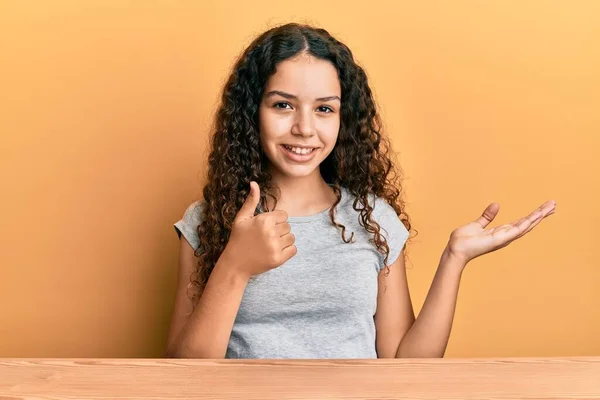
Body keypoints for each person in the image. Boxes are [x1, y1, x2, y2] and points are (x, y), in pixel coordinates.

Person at [166, 23, 555, 359]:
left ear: (343, 118)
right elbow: (183, 372)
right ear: (252, 113)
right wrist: (235, 265)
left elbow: (405, 365)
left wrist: (454, 259)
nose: (304, 128)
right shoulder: (206, 221)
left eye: (324, 109)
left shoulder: (373, 219)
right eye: (283, 105)